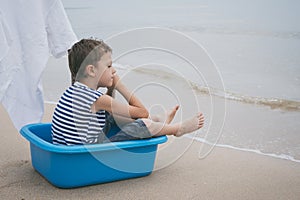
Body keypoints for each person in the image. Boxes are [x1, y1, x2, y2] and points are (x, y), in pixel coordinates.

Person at [51, 38, 204, 145]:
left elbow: (106, 110)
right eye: (109, 66)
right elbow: (142, 112)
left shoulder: (75, 91)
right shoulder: (96, 99)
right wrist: (119, 85)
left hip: (76, 147)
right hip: (88, 154)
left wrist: (110, 89)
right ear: (91, 70)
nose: (114, 70)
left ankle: (158, 122)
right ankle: (175, 130)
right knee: (142, 123)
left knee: (111, 116)